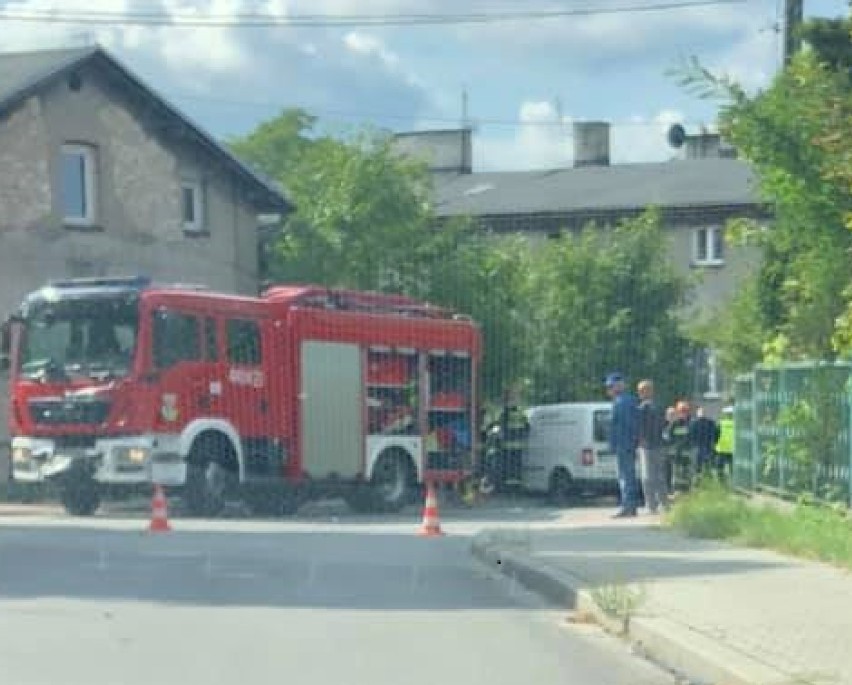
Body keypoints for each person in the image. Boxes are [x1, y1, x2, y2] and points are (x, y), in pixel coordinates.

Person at [605, 372, 639, 517]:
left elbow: (622, 425)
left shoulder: (621, 402)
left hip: (623, 444)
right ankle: (630, 506)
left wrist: (613, 444)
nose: (609, 390)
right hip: (628, 443)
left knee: (625, 476)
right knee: (628, 475)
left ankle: (628, 507)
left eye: (611, 386)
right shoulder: (630, 400)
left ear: (619, 386)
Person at [636, 380, 669, 513]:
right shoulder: (660, 406)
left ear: (647, 391)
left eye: (641, 391)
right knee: (660, 475)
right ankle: (664, 504)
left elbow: (639, 427)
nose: (639, 393)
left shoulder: (641, 408)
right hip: (660, 444)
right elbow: (665, 424)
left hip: (647, 445)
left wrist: (640, 440)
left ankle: (651, 506)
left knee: (648, 477)